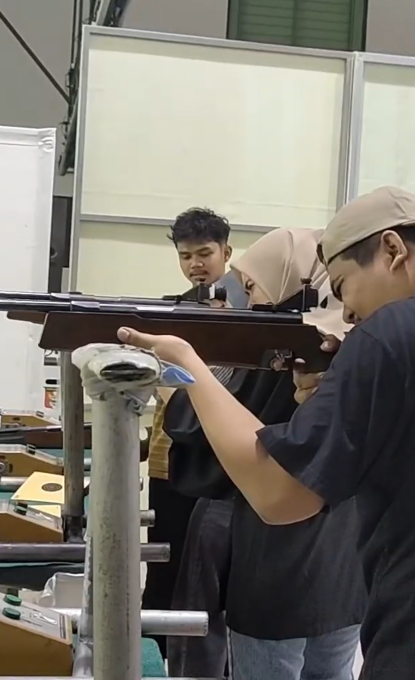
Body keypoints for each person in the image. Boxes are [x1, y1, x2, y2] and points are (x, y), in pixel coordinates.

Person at [119, 185, 415, 680]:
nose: (348, 314)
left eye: (343, 287)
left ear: (392, 249)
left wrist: (188, 363)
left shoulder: (395, 332)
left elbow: (279, 494)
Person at [166, 228, 365, 680]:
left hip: (280, 555)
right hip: (345, 559)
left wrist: (189, 369)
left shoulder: (296, 345)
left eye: (252, 285)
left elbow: (193, 425)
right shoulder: (352, 340)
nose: (249, 298)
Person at [142, 207, 245, 661]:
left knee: (216, 575)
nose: (195, 264)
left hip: (223, 461)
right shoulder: (171, 311)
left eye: (204, 253)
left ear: (227, 251)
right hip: (170, 456)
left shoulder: (249, 308)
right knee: (166, 563)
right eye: (186, 256)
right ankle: (157, 658)